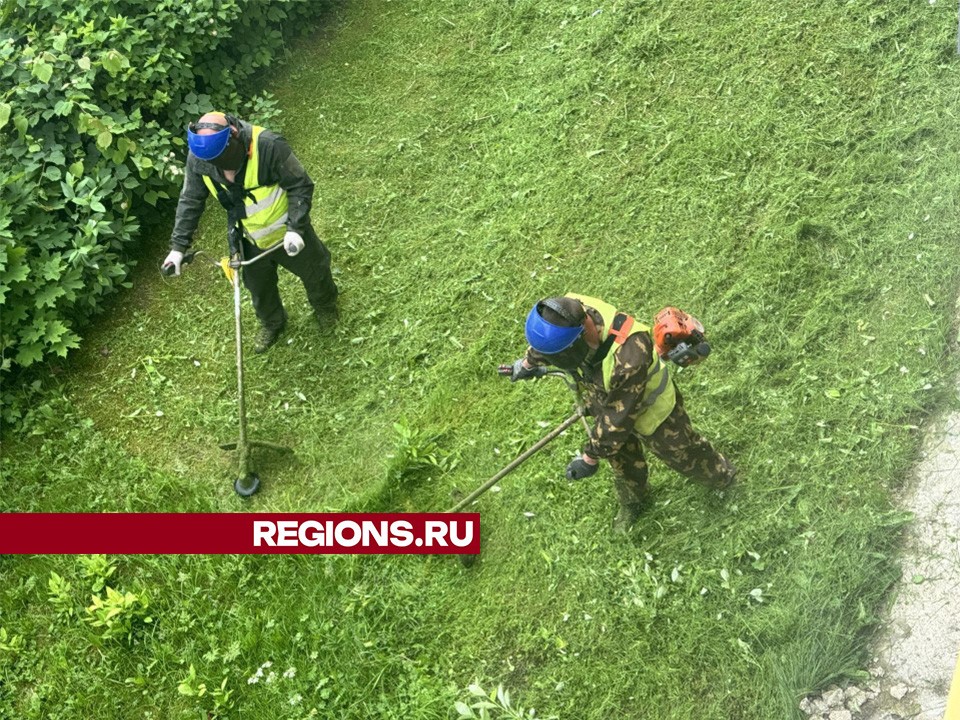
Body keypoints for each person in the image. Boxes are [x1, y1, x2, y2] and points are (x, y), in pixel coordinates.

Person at [508, 293, 736, 534]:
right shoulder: (565, 312)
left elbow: (616, 422)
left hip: (655, 413)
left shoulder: (630, 353)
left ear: (581, 337)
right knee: (623, 463)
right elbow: (548, 339)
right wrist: (527, 364)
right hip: (607, 399)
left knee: (683, 452)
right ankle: (634, 502)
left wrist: (589, 458)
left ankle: (723, 478)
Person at [162, 111, 339, 353]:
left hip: (287, 231)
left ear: (233, 136)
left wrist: (296, 228)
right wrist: (177, 248)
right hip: (248, 237)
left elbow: (300, 184)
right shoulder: (200, 158)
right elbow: (191, 200)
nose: (218, 167)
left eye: (222, 158)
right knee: (258, 287)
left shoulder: (268, 145)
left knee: (315, 270)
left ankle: (325, 307)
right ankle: (273, 322)